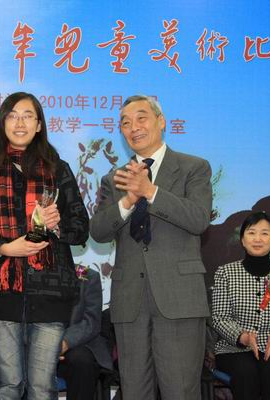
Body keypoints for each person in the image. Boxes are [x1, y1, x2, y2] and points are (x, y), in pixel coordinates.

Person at [90, 94, 212, 399]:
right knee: (134, 392)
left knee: (180, 391)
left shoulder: (193, 167)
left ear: (161, 121)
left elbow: (198, 219)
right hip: (130, 300)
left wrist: (151, 191)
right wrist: (128, 201)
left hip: (179, 298)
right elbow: (99, 231)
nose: (134, 127)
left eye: (141, 118)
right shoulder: (114, 179)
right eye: (125, 123)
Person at [0, 91, 89, 400]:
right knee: (8, 383)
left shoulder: (58, 169)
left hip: (51, 291)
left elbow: (81, 227)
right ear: (2, 123)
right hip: (1, 291)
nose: (19, 123)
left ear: (39, 125)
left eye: (27, 116)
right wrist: (7, 248)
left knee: (42, 386)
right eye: (12, 116)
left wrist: (57, 225)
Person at [211, 211, 270, 400]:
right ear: (242, 240)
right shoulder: (225, 273)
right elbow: (220, 318)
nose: (258, 239)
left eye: (264, 233)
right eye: (251, 233)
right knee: (246, 373)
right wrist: (242, 337)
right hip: (234, 349)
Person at [57, 268, 113, 400]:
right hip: (40, 341)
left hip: (77, 344)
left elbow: (91, 322)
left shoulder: (87, 275)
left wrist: (64, 342)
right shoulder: (31, 274)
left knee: (81, 360)